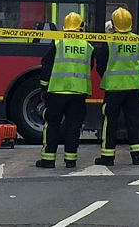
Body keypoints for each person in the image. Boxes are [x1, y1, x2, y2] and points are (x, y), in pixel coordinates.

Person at [36, 11, 94, 169]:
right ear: (81, 27)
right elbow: (91, 66)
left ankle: (48, 159)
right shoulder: (87, 45)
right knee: (73, 126)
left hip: (57, 91)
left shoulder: (57, 43)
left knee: (52, 124)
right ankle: (70, 160)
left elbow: (46, 65)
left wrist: (44, 87)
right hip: (78, 92)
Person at [93, 7, 139, 166]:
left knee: (110, 121)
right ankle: (137, 155)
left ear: (114, 24)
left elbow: (100, 65)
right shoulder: (138, 40)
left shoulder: (109, 41)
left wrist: (108, 76)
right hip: (134, 87)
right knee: (134, 120)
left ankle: (108, 156)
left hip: (114, 89)